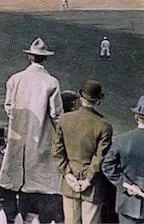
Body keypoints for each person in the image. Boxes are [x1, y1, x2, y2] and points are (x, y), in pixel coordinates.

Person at [0, 37, 64, 223]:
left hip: (19, 136)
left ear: (29, 57)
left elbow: (9, 107)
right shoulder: (51, 82)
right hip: (42, 136)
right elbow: (56, 114)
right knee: (41, 183)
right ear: (45, 59)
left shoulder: (15, 79)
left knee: (19, 180)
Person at [52, 81, 113, 224]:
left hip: (69, 182)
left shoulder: (64, 120)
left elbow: (56, 150)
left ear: (80, 98)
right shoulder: (104, 125)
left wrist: (67, 174)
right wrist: (87, 179)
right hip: (92, 184)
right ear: (98, 101)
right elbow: (100, 157)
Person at [102, 95, 144, 224]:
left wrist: (126, 184)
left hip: (128, 204)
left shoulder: (123, 139)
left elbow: (107, 165)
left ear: (136, 117)